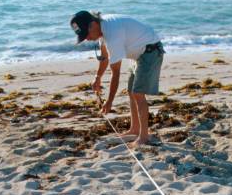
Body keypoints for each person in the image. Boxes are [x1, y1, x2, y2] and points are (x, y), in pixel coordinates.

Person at [70, 10, 164, 147]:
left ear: (93, 24)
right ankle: (135, 129)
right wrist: (98, 77)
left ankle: (144, 136)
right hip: (137, 53)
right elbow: (104, 57)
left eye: (87, 34)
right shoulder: (103, 28)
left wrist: (109, 102)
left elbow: (116, 73)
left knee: (138, 93)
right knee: (132, 92)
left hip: (151, 50)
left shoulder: (112, 34)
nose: (87, 39)